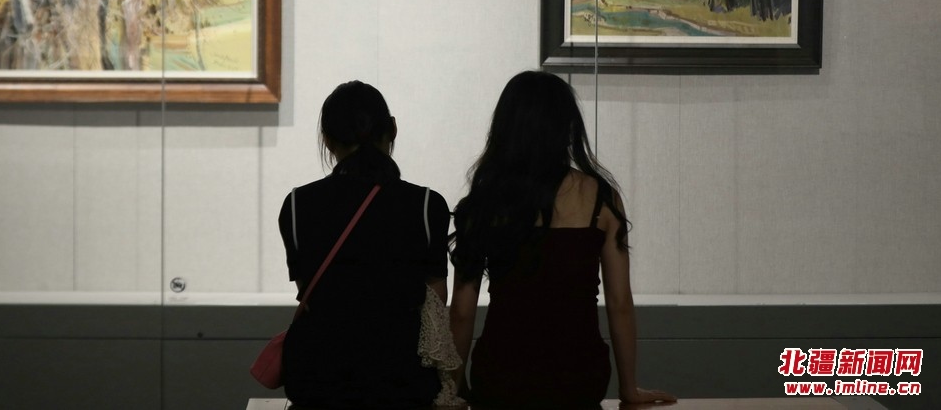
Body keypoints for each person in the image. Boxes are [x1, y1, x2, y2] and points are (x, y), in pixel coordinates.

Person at [448, 71, 675, 409]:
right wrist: (628, 388)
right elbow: (619, 302)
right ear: (567, 126)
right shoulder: (601, 199)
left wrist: (452, 388)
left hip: (501, 374)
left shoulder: (484, 203)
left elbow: (462, 312)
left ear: (505, 127)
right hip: (578, 377)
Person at [278, 80, 451, 409]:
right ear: (393, 129)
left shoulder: (298, 205)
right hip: (403, 377)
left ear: (327, 139)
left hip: (321, 378)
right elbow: (436, 300)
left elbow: (310, 292)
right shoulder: (427, 204)